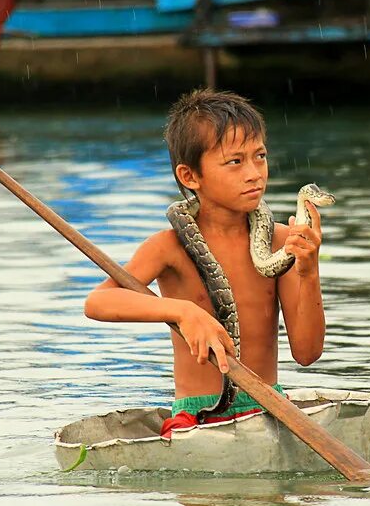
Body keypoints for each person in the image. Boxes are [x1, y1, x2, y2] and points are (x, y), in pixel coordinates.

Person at [84, 88, 326, 437]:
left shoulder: (281, 242)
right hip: (198, 415)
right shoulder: (169, 246)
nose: (254, 173)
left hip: (269, 406)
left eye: (260, 156)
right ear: (190, 176)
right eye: (235, 162)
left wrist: (308, 270)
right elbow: (98, 302)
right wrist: (182, 311)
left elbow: (306, 352)